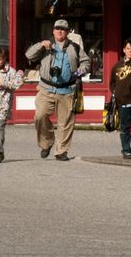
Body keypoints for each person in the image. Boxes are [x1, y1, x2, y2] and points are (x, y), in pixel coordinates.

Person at [24, 18, 87, 161]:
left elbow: (86, 62)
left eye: (63, 29)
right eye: (57, 28)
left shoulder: (74, 47)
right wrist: (40, 45)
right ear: (53, 31)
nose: (60, 31)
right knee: (40, 116)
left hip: (67, 89)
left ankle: (61, 151)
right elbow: (29, 56)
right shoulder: (46, 46)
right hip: (46, 88)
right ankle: (46, 142)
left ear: (67, 32)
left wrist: (80, 71)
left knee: (66, 122)